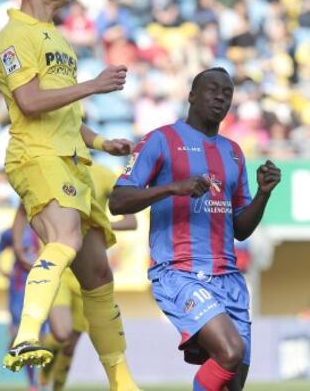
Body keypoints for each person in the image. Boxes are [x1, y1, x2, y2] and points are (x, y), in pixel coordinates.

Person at [0, 0, 140, 391]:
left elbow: (67, 117)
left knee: (98, 273)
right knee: (67, 238)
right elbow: (31, 103)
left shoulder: (59, 41)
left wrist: (99, 141)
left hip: (73, 159)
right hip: (35, 156)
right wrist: (93, 86)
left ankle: (122, 382)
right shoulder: (14, 37)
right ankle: (24, 337)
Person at [109, 67, 281, 391]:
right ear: (191, 96)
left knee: (232, 383)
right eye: (211, 90)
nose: (220, 97)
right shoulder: (161, 140)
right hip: (179, 273)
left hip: (228, 278)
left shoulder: (233, 152)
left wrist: (263, 194)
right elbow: (118, 201)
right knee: (231, 351)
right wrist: (173, 188)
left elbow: (241, 229)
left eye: (227, 93)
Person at [13, 162, 137, 391]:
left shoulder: (104, 174)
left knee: (70, 346)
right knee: (62, 333)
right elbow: (22, 208)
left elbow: (131, 221)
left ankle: (55, 387)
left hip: (89, 272)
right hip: (57, 268)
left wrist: (97, 224)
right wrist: (18, 247)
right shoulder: (52, 166)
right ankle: (42, 375)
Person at [0, 214, 45, 391]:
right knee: (25, 337)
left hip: (42, 288)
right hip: (19, 291)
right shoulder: (11, 233)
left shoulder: (46, 229)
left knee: (42, 338)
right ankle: (33, 384)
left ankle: (42, 380)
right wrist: (6, 274)